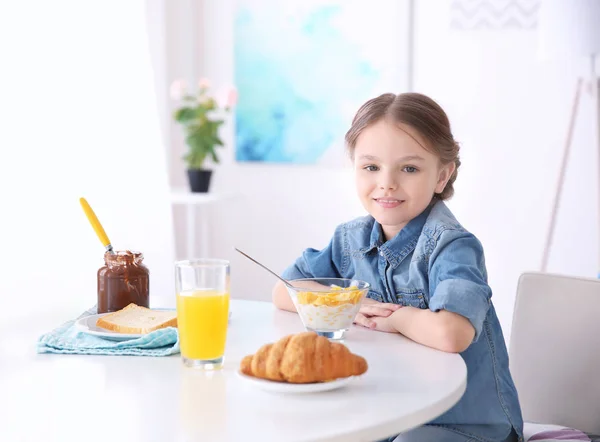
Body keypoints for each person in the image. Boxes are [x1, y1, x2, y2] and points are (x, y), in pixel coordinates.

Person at [272, 92, 523, 442]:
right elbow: (286, 290)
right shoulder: (350, 240)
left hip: (466, 424)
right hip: (391, 413)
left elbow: (452, 333)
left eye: (409, 168)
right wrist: (352, 303)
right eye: (371, 167)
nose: (387, 182)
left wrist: (396, 318)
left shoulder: (451, 246)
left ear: (441, 176)